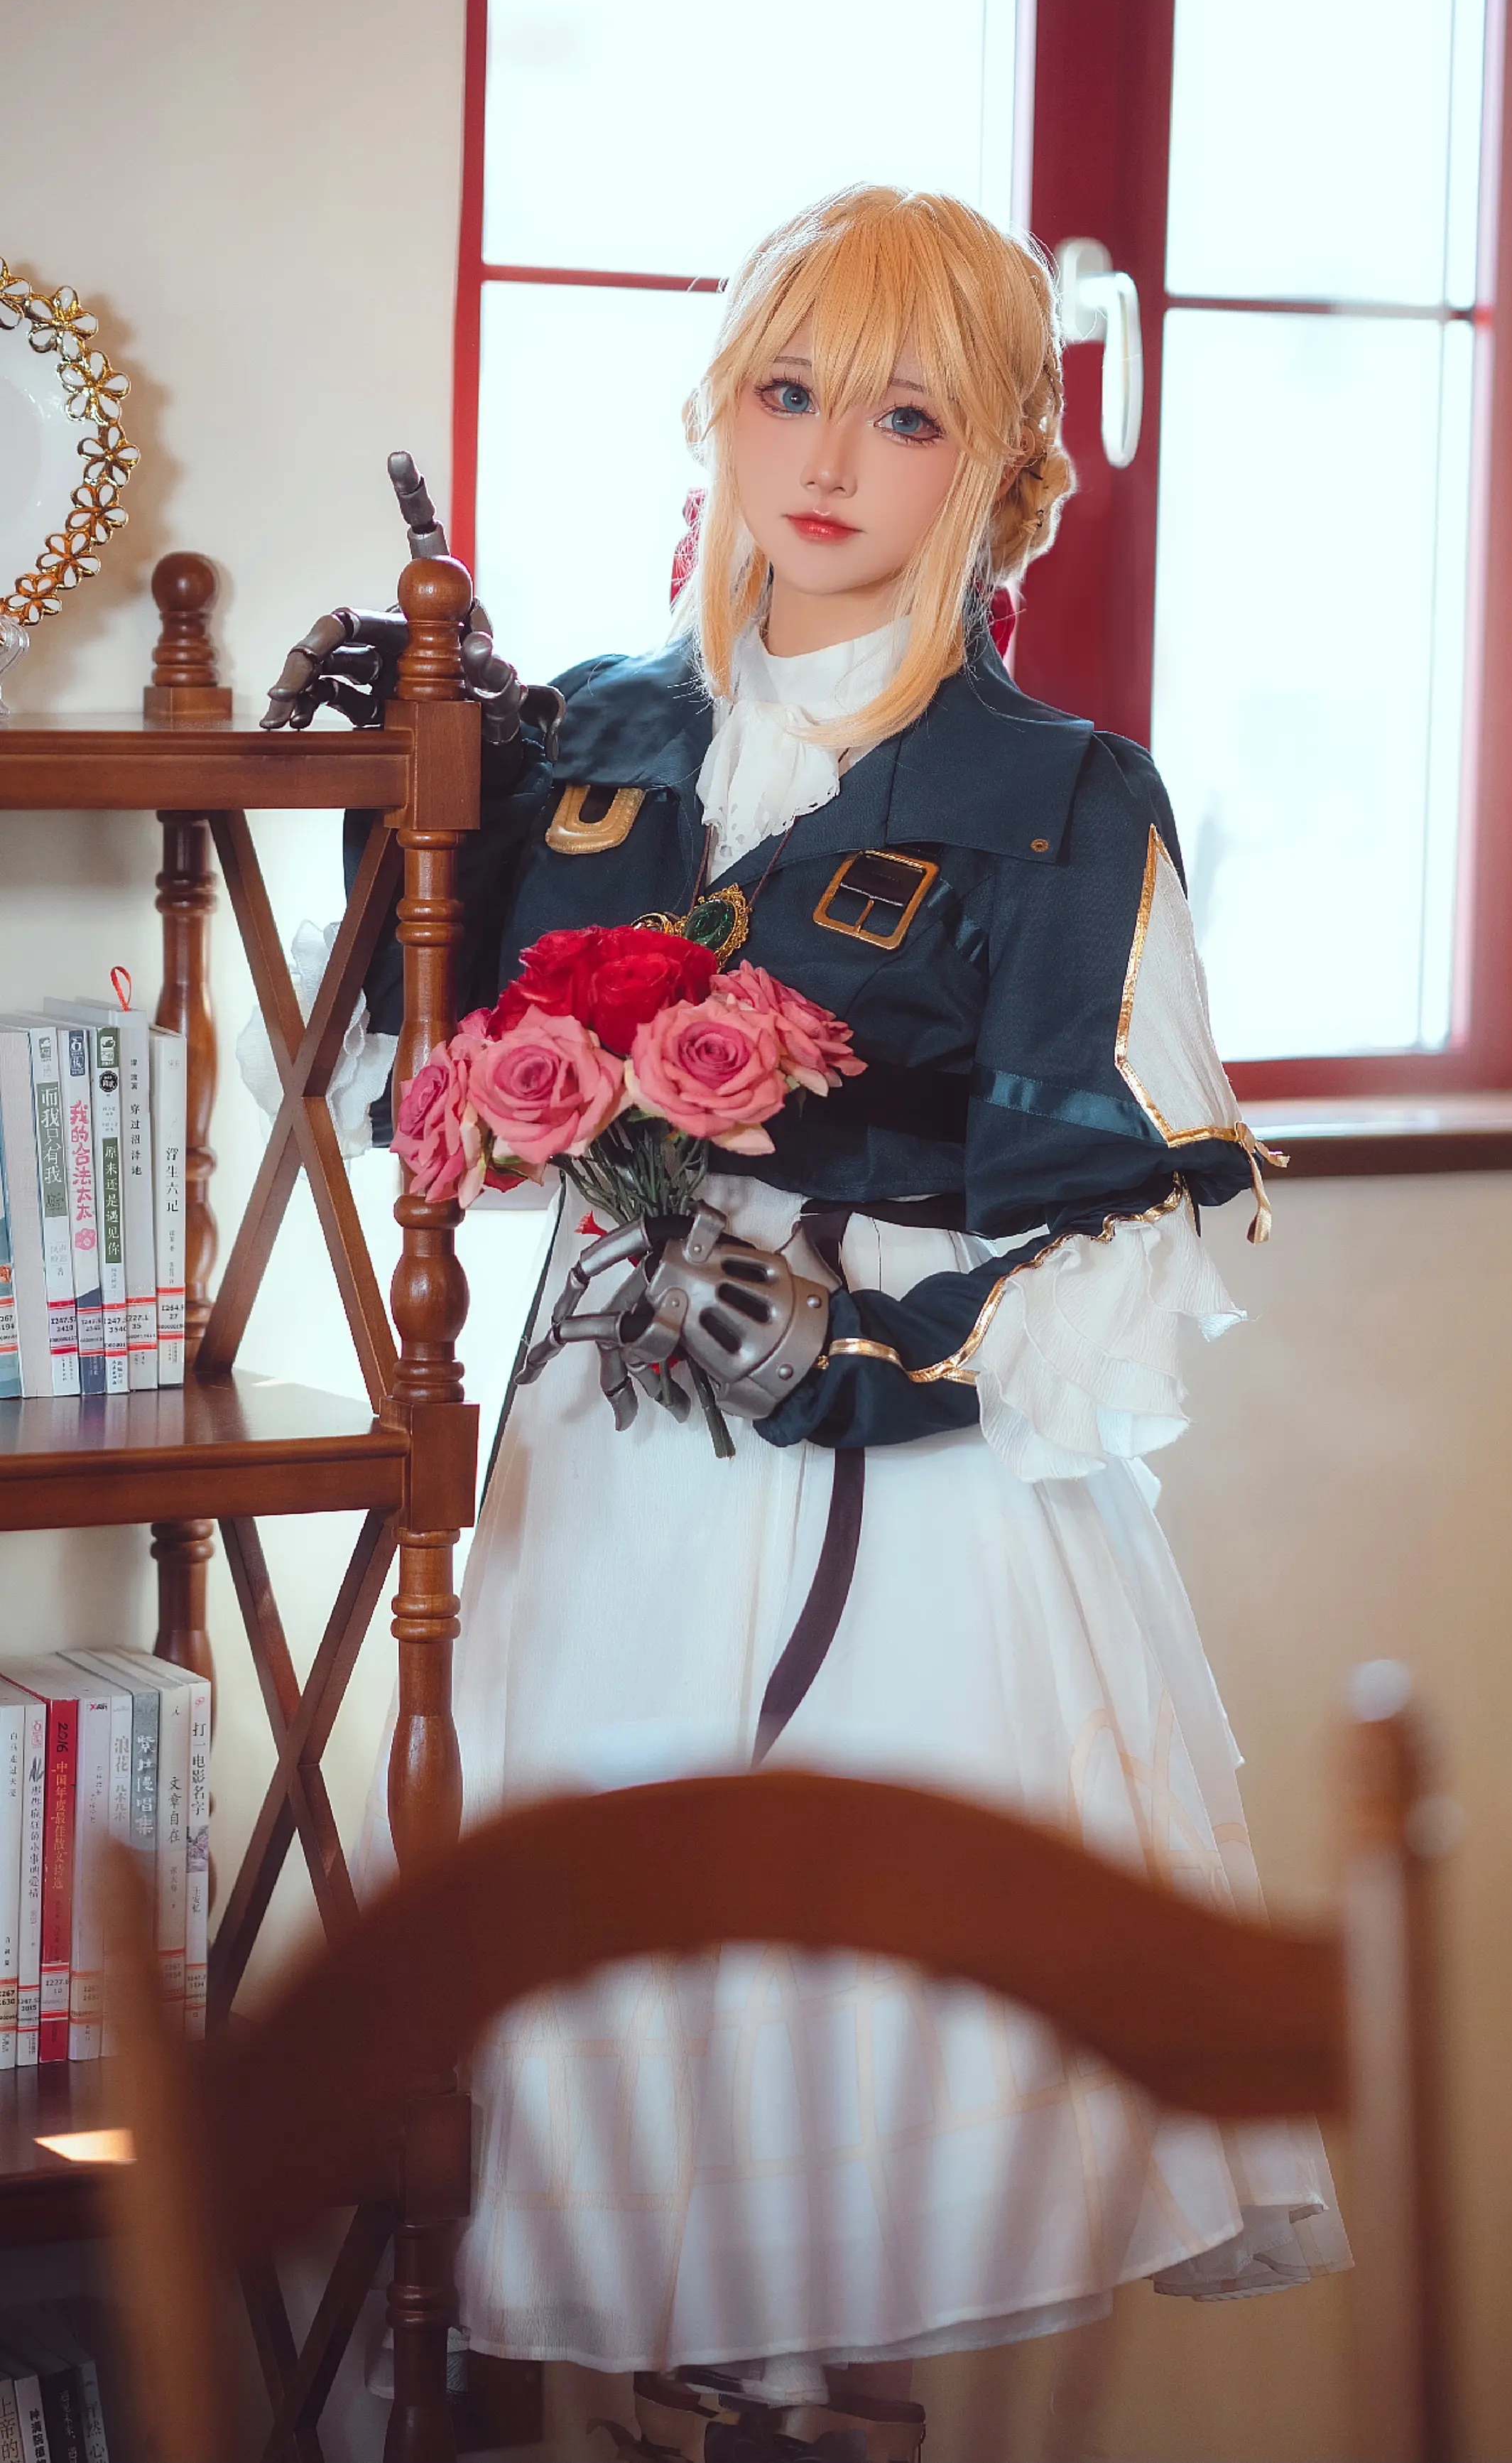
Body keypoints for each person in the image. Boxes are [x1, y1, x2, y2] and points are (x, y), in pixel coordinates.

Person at [272, 186, 1346, 2454]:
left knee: (845, 2101)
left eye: (907, 414)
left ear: (1005, 471)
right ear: (718, 410)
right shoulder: (587, 738)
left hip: (906, 1515)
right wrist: (400, 803)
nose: (832, 459)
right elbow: (410, 1085)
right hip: (603, 1481)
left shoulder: (1061, 800)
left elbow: (1120, 1213)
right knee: (598, 2055)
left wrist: (862, 1354)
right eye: (789, 391)